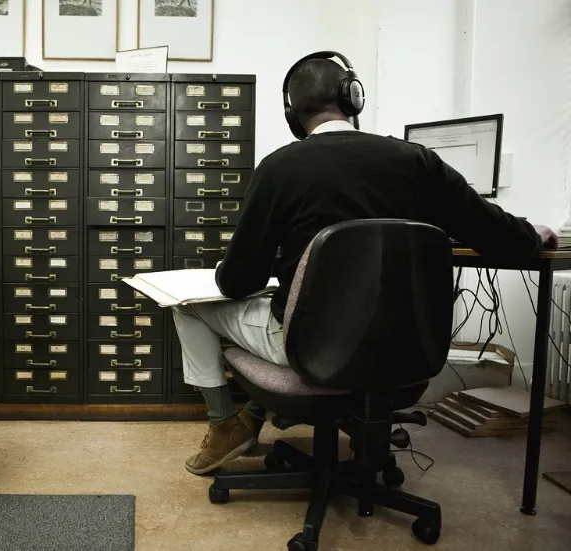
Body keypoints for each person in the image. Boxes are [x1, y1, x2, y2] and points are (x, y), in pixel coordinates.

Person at [173, 52, 558, 476]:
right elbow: (497, 233)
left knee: (187, 307)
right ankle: (263, 419)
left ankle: (225, 423)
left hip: (310, 347)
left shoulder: (280, 168)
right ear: (352, 98)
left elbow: (237, 281)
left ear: (291, 114)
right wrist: (531, 232)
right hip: (408, 348)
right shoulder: (418, 161)